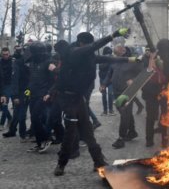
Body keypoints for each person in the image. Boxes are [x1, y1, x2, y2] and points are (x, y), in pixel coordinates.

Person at [53, 29, 129, 176]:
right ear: (82, 43)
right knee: (70, 133)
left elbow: (107, 59)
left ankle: (98, 161)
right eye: (88, 45)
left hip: (79, 98)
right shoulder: (74, 53)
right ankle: (61, 164)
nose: (90, 47)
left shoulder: (86, 56)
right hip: (68, 98)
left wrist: (128, 59)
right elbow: (94, 47)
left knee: (88, 132)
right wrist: (114, 34)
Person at [102, 44, 143, 149]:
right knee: (125, 113)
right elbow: (109, 74)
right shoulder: (115, 61)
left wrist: (133, 80)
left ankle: (121, 138)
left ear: (123, 51)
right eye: (114, 53)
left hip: (128, 91)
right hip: (116, 91)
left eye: (116, 53)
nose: (114, 55)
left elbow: (142, 73)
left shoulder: (133, 61)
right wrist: (104, 84)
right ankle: (132, 131)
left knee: (124, 114)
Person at [2, 45, 29, 140]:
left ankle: (20, 132)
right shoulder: (21, 63)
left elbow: (16, 79)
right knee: (18, 112)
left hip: (25, 91)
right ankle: (16, 131)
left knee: (20, 112)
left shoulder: (20, 63)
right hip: (23, 91)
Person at [98, 47, 115, 116]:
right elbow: (101, 68)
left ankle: (108, 111)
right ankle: (108, 111)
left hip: (107, 79)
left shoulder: (103, 59)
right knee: (107, 95)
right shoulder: (105, 59)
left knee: (107, 95)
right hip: (106, 79)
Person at [0, 47, 12, 130]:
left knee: (4, 104)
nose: (5, 56)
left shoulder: (13, 62)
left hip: (8, 85)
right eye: (3, 54)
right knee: (2, 104)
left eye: (7, 54)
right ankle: (10, 117)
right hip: (1, 84)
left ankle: (1, 123)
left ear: (9, 54)